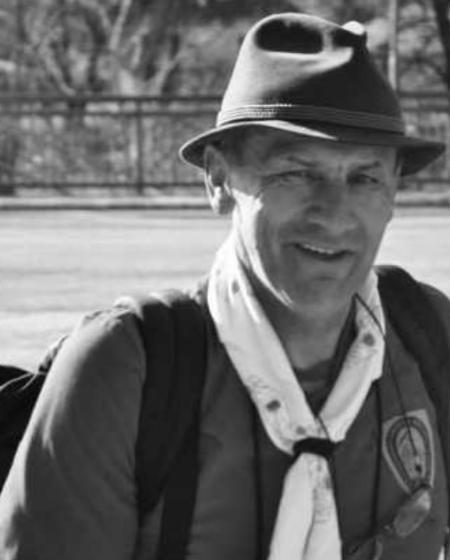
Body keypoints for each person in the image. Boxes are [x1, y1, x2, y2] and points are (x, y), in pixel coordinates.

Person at [0, 12, 448, 560]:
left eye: (365, 177)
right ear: (218, 178)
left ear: (394, 191)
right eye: (295, 172)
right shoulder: (126, 369)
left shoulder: (427, 335)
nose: (334, 214)